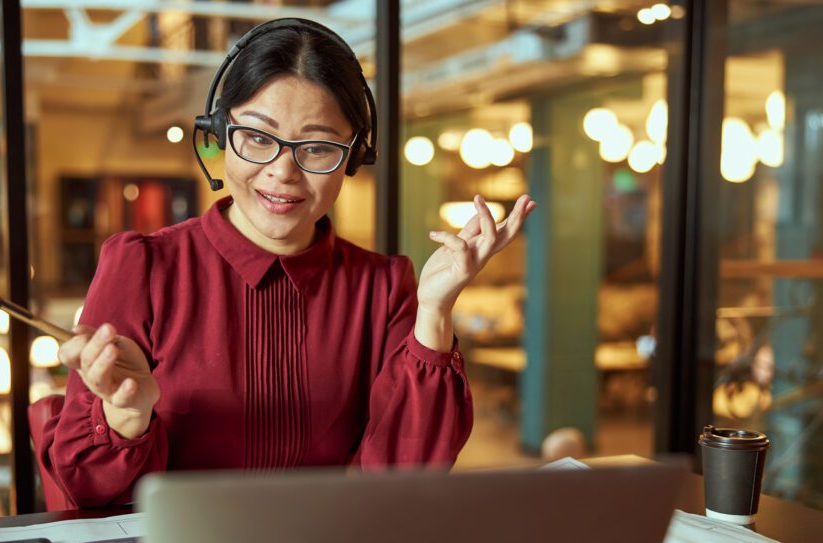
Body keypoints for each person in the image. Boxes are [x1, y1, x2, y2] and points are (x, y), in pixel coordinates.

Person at [44, 19, 535, 508]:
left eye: (318, 147)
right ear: (220, 132)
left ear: (353, 156)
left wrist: (435, 312)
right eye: (258, 137)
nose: (282, 170)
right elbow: (87, 492)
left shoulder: (382, 287)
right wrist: (127, 416)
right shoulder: (143, 267)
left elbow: (403, 481)